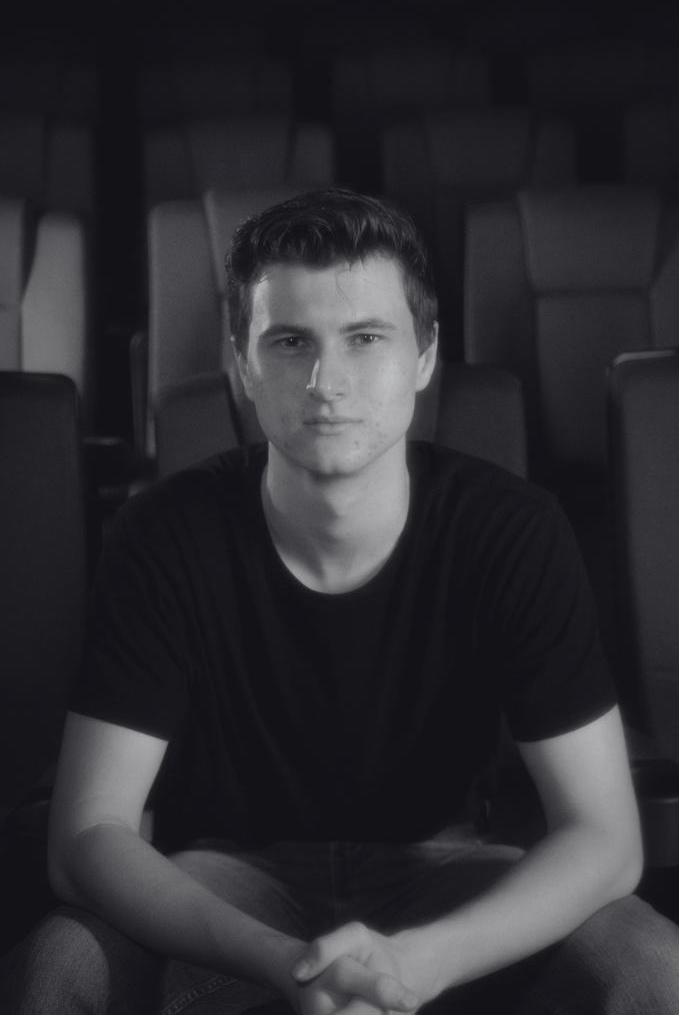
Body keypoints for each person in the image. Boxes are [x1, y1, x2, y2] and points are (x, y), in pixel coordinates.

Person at [2, 188, 679, 1014]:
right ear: (242, 362)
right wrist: (286, 962)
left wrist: (417, 964)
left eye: (365, 338)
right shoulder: (163, 533)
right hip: (224, 875)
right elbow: (85, 837)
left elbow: (605, 839)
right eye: (290, 342)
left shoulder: (512, 529)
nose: (326, 382)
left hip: (450, 866)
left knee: (654, 969)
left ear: (424, 355)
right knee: (54, 971)